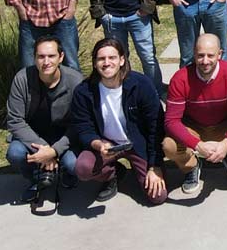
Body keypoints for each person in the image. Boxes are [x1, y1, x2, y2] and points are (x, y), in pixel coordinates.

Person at [70, 38, 166, 205]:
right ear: (94, 63)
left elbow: (155, 128)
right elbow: (83, 127)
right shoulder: (84, 91)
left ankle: (143, 169)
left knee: (158, 197)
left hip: (137, 143)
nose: (106, 63)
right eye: (101, 59)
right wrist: (98, 144)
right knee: (83, 168)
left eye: (112, 58)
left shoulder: (141, 85)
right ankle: (113, 174)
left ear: (122, 60)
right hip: (106, 144)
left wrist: (154, 166)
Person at [162, 34, 227, 194]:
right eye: (200, 55)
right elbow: (171, 121)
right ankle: (191, 166)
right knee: (169, 146)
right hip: (192, 125)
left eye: (210, 55)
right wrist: (197, 144)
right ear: (194, 53)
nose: (205, 61)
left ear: (220, 54)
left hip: (223, 123)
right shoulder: (180, 79)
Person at [6, 36, 83, 203]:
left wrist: (54, 151)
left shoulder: (75, 81)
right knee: (15, 153)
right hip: (33, 137)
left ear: (61, 57)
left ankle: (64, 172)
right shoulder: (22, 79)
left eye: (51, 56)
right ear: (34, 58)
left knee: (74, 165)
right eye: (41, 56)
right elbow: (15, 120)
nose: (46, 61)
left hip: (65, 137)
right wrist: (45, 150)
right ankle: (36, 177)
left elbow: (80, 124)